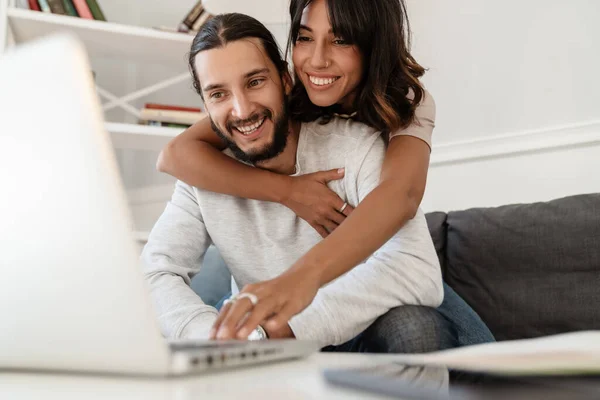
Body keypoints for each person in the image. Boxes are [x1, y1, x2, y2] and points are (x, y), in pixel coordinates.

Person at [158, 0, 495, 345]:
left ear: (373, 44)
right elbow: (175, 154)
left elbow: (401, 195)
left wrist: (304, 277)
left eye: (341, 39)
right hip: (294, 298)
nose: (317, 59)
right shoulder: (270, 98)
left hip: (374, 268)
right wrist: (288, 191)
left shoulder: (404, 101)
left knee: (475, 357)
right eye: (305, 38)